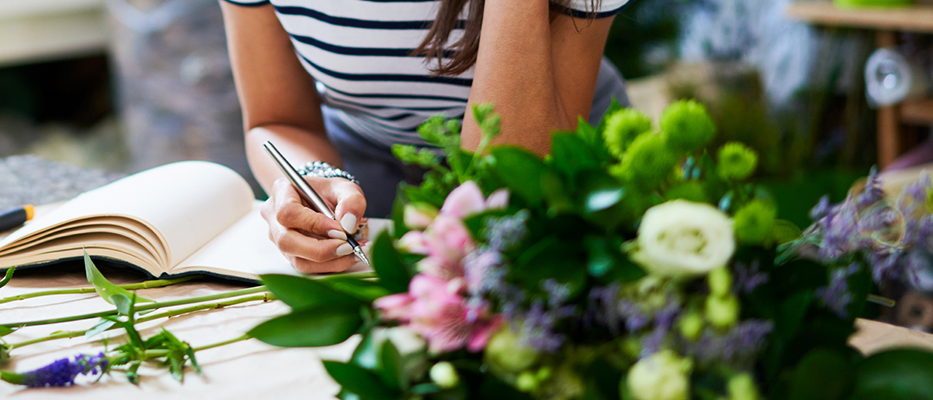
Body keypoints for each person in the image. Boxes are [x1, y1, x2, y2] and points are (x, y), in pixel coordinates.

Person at [223, 0, 632, 273]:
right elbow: (278, 120)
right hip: (364, 162)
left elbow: (509, 178)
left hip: (555, 157)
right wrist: (310, 177)